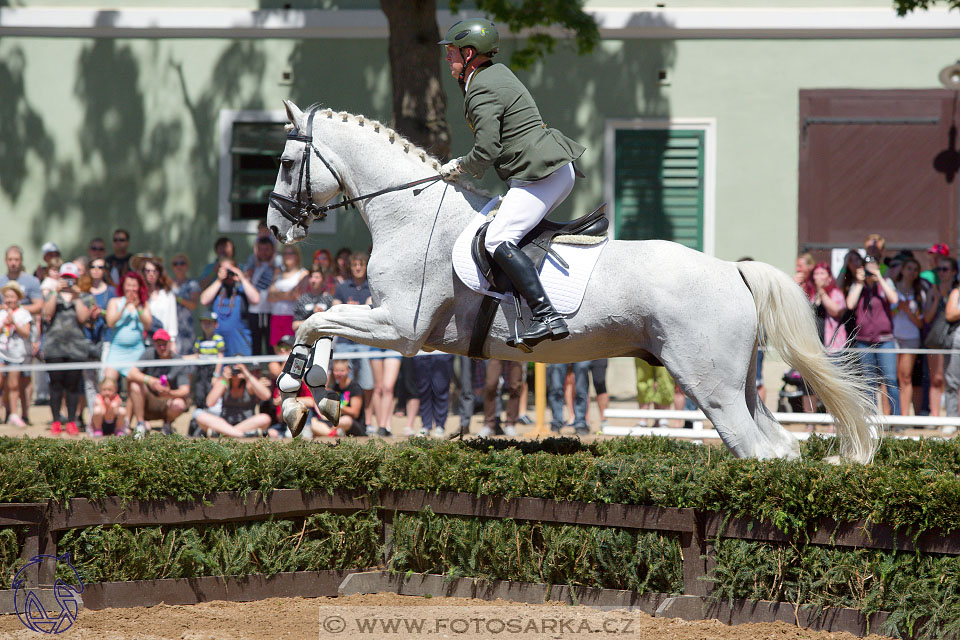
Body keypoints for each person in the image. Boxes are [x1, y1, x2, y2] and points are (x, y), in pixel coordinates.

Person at [438, 18, 584, 348]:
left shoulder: (480, 87)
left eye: (452, 53)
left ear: (470, 53)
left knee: (498, 237)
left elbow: (487, 149)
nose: (448, 58)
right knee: (508, 233)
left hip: (540, 176)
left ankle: (548, 315)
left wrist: (459, 167)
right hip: (547, 171)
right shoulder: (494, 74)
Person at [846, 252, 899, 416]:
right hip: (864, 340)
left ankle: (897, 419)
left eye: (874, 267)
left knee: (890, 379)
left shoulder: (886, 282)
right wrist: (860, 282)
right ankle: (873, 418)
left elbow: (894, 299)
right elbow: (850, 304)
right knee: (869, 381)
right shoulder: (858, 285)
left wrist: (880, 278)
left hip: (885, 339)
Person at [42, 262, 91, 436]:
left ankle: (72, 420)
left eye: (71, 278)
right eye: (65, 278)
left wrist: (76, 297)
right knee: (55, 385)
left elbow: (84, 317)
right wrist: (55, 291)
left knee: (73, 386)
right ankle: (56, 420)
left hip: (75, 349)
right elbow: (47, 313)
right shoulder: (51, 294)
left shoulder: (84, 297)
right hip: (54, 348)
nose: (68, 282)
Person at [332, 252, 376, 429]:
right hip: (344, 341)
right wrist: (359, 309)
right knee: (342, 381)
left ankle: (367, 420)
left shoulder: (371, 287)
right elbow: (335, 309)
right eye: (354, 265)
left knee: (367, 383)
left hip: (365, 341)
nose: (358, 268)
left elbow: (373, 313)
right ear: (350, 267)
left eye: (361, 264)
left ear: (366, 267)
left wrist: (349, 309)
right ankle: (340, 417)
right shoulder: (342, 288)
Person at [127, 329, 189, 437]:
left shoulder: (178, 360)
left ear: (170, 343)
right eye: (158, 344)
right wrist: (150, 380)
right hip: (148, 400)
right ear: (154, 344)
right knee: (134, 385)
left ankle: (167, 424)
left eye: (164, 344)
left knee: (179, 404)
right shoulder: (149, 353)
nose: (162, 347)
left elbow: (185, 389)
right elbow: (131, 373)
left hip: (168, 401)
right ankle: (140, 424)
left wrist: (170, 393)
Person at [199, 258, 261, 357]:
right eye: (224, 270)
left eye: (229, 270)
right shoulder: (217, 288)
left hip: (239, 343)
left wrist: (242, 277)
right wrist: (219, 280)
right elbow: (203, 300)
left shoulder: (241, 288)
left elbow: (256, 299)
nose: (227, 274)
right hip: (218, 343)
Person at [194, 363, 272, 438]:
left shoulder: (249, 384)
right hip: (225, 424)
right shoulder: (225, 382)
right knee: (200, 415)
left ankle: (225, 434)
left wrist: (247, 374)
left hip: (247, 424)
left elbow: (266, 396)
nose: (236, 373)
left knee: (265, 418)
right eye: (234, 369)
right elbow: (209, 403)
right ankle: (241, 435)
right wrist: (224, 379)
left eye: (239, 370)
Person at [104, 271, 152, 381]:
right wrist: (124, 307)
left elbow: (148, 325)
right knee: (108, 382)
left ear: (139, 287)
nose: (131, 289)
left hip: (136, 351)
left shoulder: (143, 304)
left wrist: (138, 308)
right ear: (123, 286)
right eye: (128, 285)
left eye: (134, 286)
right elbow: (110, 323)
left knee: (136, 387)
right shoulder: (115, 302)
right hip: (116, 352)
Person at [928, 256, 957, 417]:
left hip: (955, 338)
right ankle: (935, 416)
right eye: (939, 269)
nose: (941, 273)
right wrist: (937, 299)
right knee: (937, 378)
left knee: (954, 380)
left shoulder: (957, 290)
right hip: (937, 337)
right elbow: (927, 317)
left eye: (945, 269)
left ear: (954, 272)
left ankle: (953, 418)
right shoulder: (934, 289)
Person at [0, 282, 32, 427]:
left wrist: (14, 323)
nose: (9, 300)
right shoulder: (1, 313)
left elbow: (26, 333)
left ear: (18, 298)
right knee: (2, 384)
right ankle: (5, 412)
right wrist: (3, 325)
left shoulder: (23, 314)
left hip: (16, 355)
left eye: (12, 296)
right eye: (7, 296)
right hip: (1, 353)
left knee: (13, 385)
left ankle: (14, 413)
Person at [134, 254, 178, 350]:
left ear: (159, 273)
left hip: (163, 343)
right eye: (148, 271)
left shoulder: (167, 294)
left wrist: (173, 340)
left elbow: (172, 319)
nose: (151, 274)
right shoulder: (138, 295)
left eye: (154, 271)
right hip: (142, 342)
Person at [267, 245, 308, 348]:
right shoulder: (278, 273)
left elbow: (295, 295)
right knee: (277, 349)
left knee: (290, 349)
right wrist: (285, 294)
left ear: (297, 256)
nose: (287, 256)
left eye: (291, 253)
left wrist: (277, 294)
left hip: (291, 316)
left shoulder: (303, 273)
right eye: (285, 253)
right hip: (276, 316)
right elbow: (269, 296)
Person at [245, 236, 278, 356]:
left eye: (267, 249)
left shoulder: (277, 267)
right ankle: (255, 370)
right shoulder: (251, 266)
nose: (263, 252)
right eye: (261, 249)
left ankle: (272, 371)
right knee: (256, 344)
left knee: (271, 346)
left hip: (271, 311)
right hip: (255, 311)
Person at [316, 359, 366, 437]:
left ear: (348, 370)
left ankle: (328, 432)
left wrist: (339, 407)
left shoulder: (355, 388)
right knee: (314, 421)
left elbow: (355, 413)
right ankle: (333, 433)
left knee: (345, 420)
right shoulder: (334, 387)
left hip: (354, 424)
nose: (339, 374)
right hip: (337, 422)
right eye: (336, 371)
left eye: (342, 371)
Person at [412, 352, 455, 438]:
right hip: (422, 353)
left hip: (442, 352)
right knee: (423, 390)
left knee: (441, 389)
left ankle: (440, 425)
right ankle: (426, 425)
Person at [480, 359, 523, 437]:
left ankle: (510, 424)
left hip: (516, 350)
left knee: (515, 386)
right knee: (490, 385)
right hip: (497, 349)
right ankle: (488, 424)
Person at [170, 253, 200, 356]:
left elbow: (193, 305)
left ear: (187, 266)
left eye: (182, 263)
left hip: (186, 326)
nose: (179, 266)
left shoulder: (192, 284)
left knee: (186, 356)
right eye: (176, 264)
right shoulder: (168, 284)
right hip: (170, 325)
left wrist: (177, 298)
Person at [548, 361, 589, 435]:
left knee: (581, 389)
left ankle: (580, 422)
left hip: (580, 351)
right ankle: (556, 422)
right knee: (556, 388)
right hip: (559, 351)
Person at [293, 267, 334, 333]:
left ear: (323, 280)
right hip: (305, 337)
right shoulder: (302, 299)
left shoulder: (329, 299)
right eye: (311, 277)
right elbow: (294, 326)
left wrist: (322, 315)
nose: (313, 280)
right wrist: (313, 319)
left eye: (317, 277)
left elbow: (334, 322)